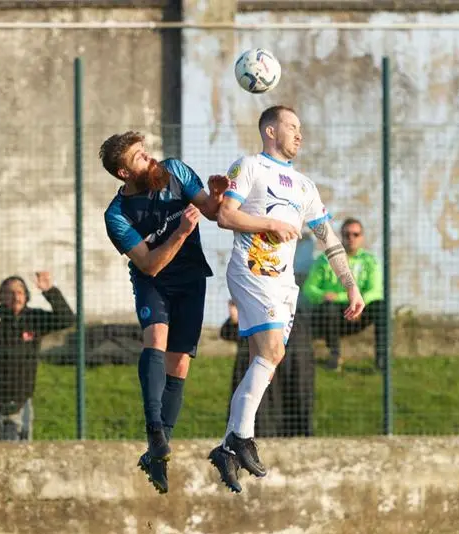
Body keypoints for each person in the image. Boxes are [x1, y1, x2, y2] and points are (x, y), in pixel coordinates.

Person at [209, 105, 365, 493]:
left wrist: (351, 285)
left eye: (301, 127)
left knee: (266, 360)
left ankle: (230, 445)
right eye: (292, 126)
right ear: (269, 131)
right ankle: (240, 438)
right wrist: (270, 223)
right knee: (273, 351)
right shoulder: (248, 167)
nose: (300, 133)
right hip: (251, 270)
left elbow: (328, 239)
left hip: (283, 284)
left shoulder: (305, 186)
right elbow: (226, 216)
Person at [100, 131, 228, 495]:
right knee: (155, 336)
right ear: (124, 173)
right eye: (139, 157)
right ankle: (154, 428)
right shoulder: (117, 215)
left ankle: (158, 452)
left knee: (181, 364)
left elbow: (212, 211)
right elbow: (151, 265)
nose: (149, 158)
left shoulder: (175, 172)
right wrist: (183, 231)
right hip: (154, 281)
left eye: (145, 151)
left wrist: (216, 196)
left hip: (190, 279)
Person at [0, 271, 74, 441]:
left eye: (20, 292)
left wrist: (50, 291)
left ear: (26, 296)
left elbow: (67, 319)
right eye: (10, 292)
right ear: (1, 297)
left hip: (22, 401)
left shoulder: (35, 318)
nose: (15, 297)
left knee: (20, 456)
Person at [303, 217, 386, 371]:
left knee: (381, 307)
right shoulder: (324, 259)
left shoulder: (370, 261)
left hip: (359, 311)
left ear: (362, 237)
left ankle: (382, 360)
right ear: (341, 236)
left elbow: (375, 290)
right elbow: (309, 288)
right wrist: (322, 296)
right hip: (332, 313)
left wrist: (355, 303)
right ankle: (335, 356)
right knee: (329, 308)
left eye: (356, 234)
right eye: (347, 234)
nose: (351, 238)